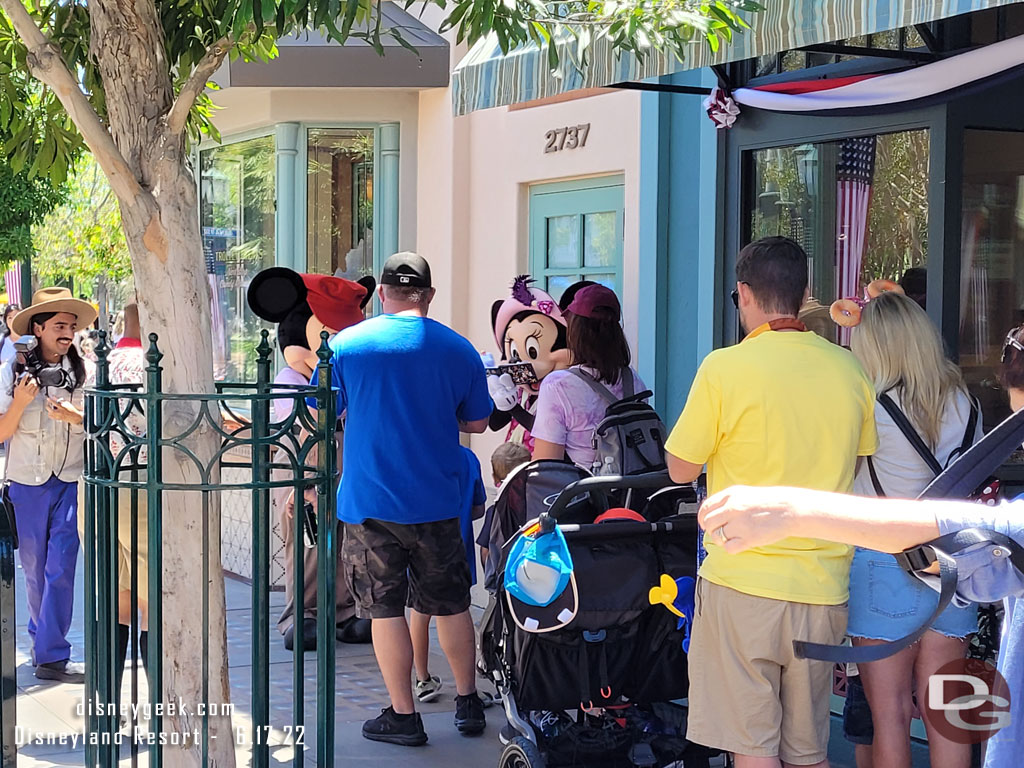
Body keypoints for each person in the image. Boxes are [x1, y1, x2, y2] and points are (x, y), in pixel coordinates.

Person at [664, 236, 878, 768]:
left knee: (751, 747)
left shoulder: (723, 367)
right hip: (823, 587)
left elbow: (680, 468)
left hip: (741, 581)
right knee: (808, 750)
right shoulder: (848, 369)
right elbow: (855, 463)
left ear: (743, 294)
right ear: (805, 293)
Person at [312, 252, 493, 746]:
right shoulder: (459, 349)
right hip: (437, 498)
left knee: (384, 610)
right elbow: (477, 422)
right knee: (453, 603)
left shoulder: (346, 346)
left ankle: (403, 715)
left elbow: (322, 412)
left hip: (370, 503)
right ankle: (467, 701)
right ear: (429, 296)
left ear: (383, 296)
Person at [840, 290, 979, 768]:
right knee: (947, 717)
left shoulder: (868, 407)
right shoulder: (965, 402)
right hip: (953, 563)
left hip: (882, 558)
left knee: (891, 717)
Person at [246, 267, 374, 651]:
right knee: (307, 539)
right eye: (323, 339)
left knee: (347, 537)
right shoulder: (291, 377)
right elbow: (297, 424)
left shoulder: (347, 375)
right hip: (302, 462)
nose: (328, 352)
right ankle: (301, 614)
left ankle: (344, 611)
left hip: (346, 462)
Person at [0, 288, 97, 683]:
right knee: (35, 569)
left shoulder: (85, 369)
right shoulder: (10, 371)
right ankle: (43, 642)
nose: (67, 334)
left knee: (62, 565)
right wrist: (21, 402)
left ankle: (52, 656)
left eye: (71, 327)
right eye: (59, 326)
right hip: (27, 483)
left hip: (70, 481)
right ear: (37, 329)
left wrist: (78, 417)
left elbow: (102, 424)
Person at [531, 284, 645, 471]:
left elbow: (545, 466)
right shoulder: (633, 380)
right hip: (633, 494)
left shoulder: (558, 385)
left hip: (587, 495)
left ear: (575, 331)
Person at [410, 445, 487, 703]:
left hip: (421, 549)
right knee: (457, 613)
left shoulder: (418, 453)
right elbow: (479, 508)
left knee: (420, 614)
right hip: (458, 545)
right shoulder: (467, 457)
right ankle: (467, 692)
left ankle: (422, 678)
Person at [486, 275, 569, 452]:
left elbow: (546, 433)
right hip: (515, 474)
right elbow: (494, 423)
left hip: (549, 474)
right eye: (515, 354)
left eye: (532, 352)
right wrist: (498, 394)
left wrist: (514, 409)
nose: (527, 364)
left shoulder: (566, 391)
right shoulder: (522, 392)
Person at [477, 442, 532, 589]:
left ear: (495, 478)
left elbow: (485, 552)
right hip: (534, 577)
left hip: (505, 583)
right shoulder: (536, 505)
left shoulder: (494, 511)